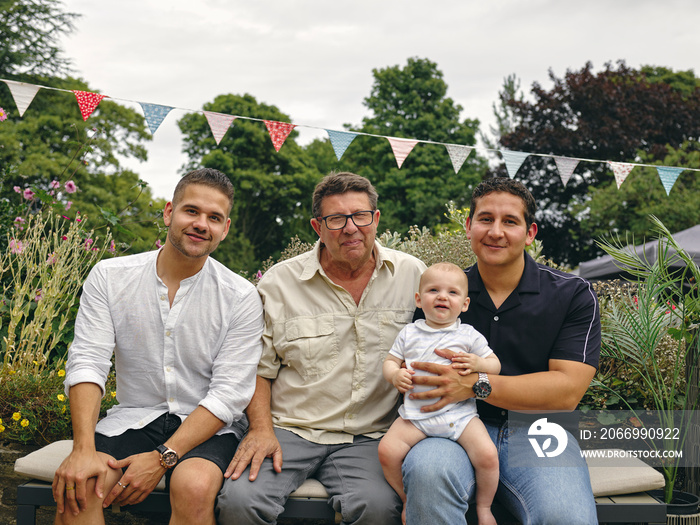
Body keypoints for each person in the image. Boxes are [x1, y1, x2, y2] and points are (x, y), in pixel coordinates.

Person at [52, 168, 264, 525]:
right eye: (191, 211)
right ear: (169, 213)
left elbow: (228, 394)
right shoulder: (110, 276)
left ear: (225, 229)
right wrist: (83, 449)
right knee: (82, 486)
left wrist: (164, 456)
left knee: (194, 486)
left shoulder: (240, 296)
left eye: (214, 218)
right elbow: (88, 361)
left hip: (207, 427)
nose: (201, 224)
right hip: (134, 416)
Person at [217, 171, 427, 524]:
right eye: (336, 219)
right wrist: (260, 429)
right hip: (288, 430)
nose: (350, 228)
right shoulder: (280, 283)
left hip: (370, 435)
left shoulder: (413, 276)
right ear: (318, 226)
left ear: (375, 219)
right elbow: (258, 369)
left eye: (360, 216)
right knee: (240, 501)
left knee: (379, 508)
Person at [402, 177, 601, 525]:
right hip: (451, 425)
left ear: (530, 233)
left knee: (564, 515)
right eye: (485, 219)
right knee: (428, 474)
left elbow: (566, 392)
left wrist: (476, 384)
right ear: (468, 226)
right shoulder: (439, 296)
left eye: (510, 221)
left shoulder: (572, 295)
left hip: (538, 429)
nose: (495, 231)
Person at [379, 262, 501, 525]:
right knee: (387, 451)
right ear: (419, 300)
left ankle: (484, 507)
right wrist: (394, 375)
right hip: (416, 416)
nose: (443, 296)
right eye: (433, 290)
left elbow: (495, 365)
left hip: (460, 416)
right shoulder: (409, 332)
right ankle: (407, 499)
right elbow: (389, 361)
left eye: (453, 293)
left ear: (465, 304)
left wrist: (478, 364)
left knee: (488, 456)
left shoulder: (468, 335)